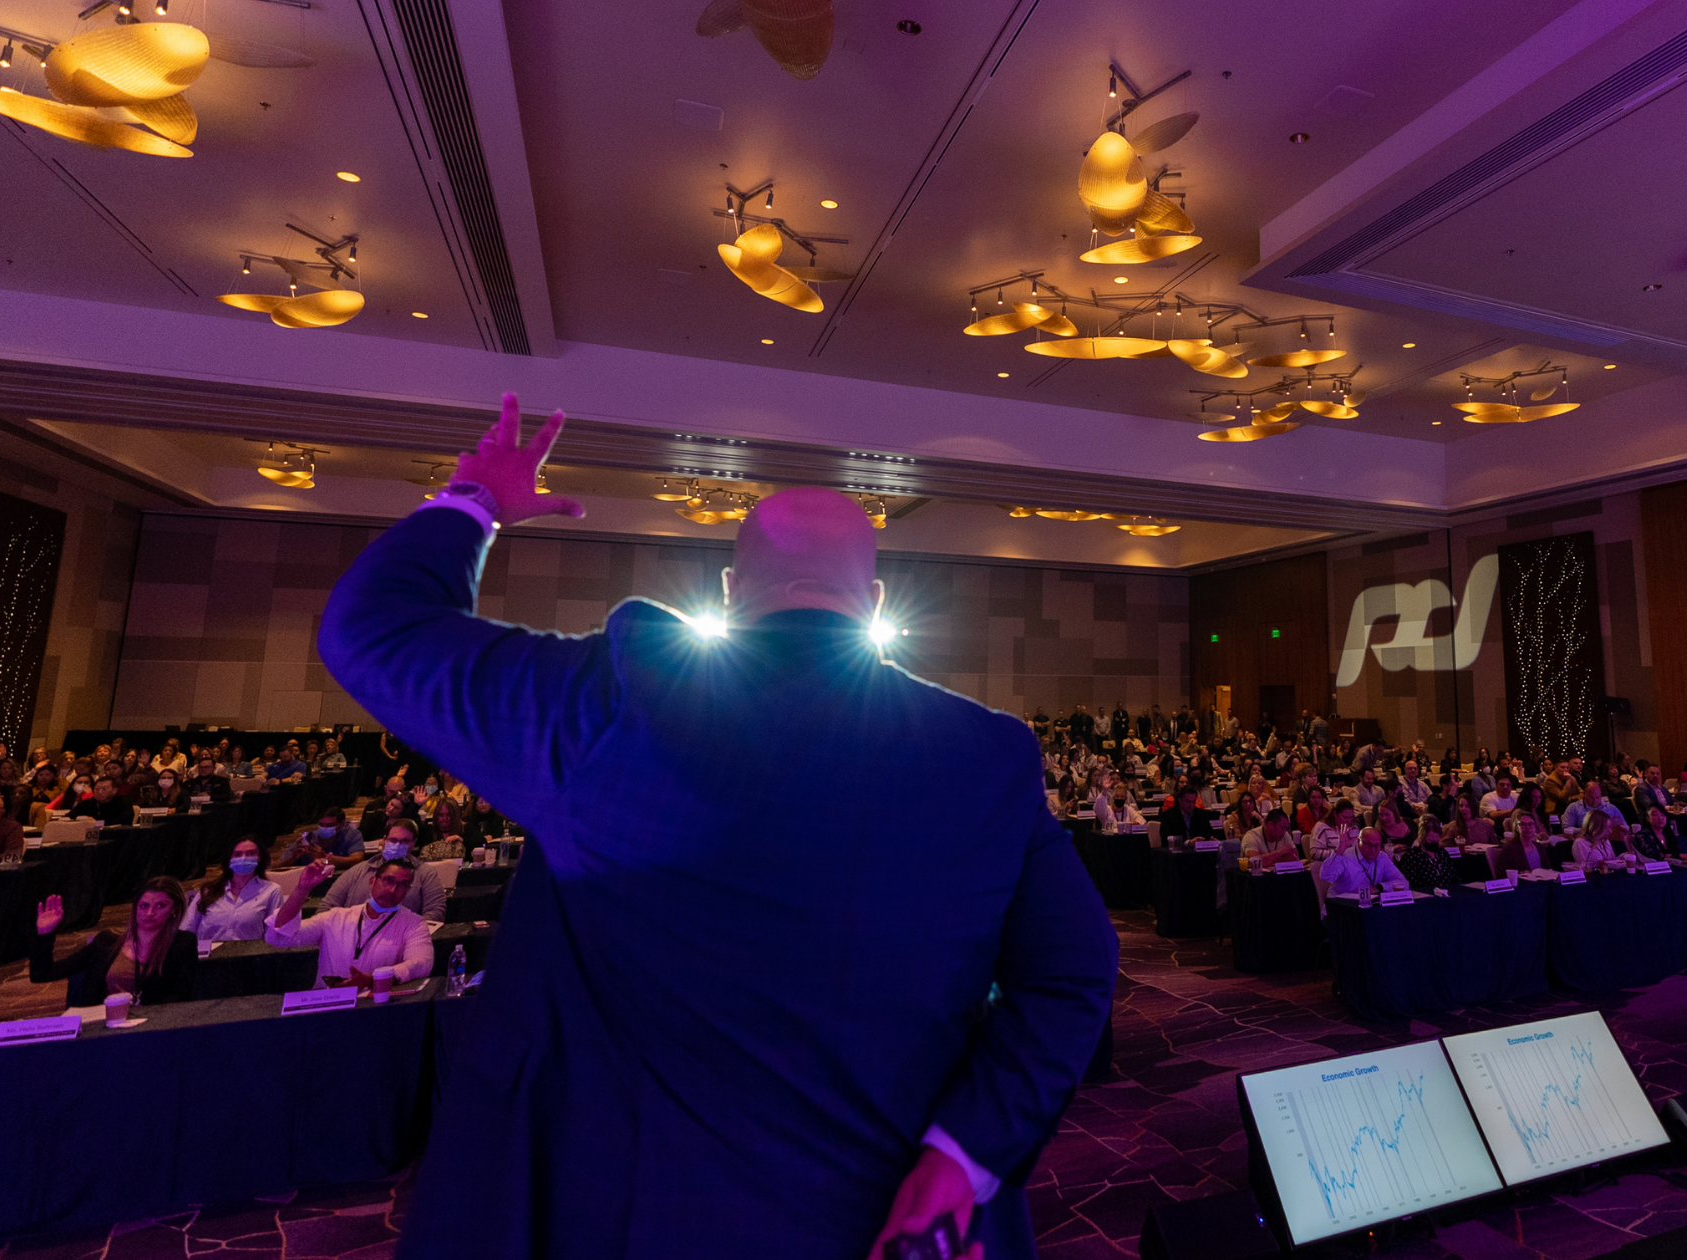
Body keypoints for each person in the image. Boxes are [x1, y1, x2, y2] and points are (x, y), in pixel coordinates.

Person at [315, 402, 1116, 1260]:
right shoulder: (985, 755)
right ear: (875, 601)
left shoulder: (615, 704)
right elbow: (1074, 971)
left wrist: (473, 499)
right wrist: (964, 1154)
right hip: (900, 1219)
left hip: (640, 1213)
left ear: (731, 594)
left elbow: (371, 629)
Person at [268, 857, 434, 992]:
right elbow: (280, 936)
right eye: (388, 880)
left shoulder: (413, 923)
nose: (392, 890)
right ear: (372, 881)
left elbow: (421, 963)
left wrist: (370, 979)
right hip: (328, 1003)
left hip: (376, 1005)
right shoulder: (336, 917)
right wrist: (302, 889)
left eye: (402, 885)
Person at [30, 877, 199, 1006]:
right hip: (103, 1023)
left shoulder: (182, 944)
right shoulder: (107, 942)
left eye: (161, 906)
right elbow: (42, 974)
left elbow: (181, 995)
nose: (150, 913)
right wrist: (44, 933)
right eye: (144, 906)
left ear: (174, 910)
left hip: (150, 1026)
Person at [325, 821, 454, 923]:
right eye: (393, 840)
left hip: (402, 941)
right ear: (384, 840)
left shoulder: (426, 873)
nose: (398, 845)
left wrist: (411, 934)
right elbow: (328, 906)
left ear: (414, 843)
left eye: (404, 841)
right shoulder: (358, 871)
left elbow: (435, 912)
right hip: (352, 938)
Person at [182, 837, 287, 942]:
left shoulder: (271, 891)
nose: (243, 858)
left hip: (248, 955)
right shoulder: (208, 891)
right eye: (237, 854)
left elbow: (273, 936)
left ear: (259, 858)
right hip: (207, 956)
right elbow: (187, 929)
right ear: (229, 859)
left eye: (250, 853)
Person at [1318, 827, 1408, 898]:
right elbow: (1326, 876)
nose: (1373, 849)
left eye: (1376, 845)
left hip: (1369, 908)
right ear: (1358, 841)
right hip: (1341, 908)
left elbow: (1403, 883)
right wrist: (1339, 851)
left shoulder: (1382, 857)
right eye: (1369, 845)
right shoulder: (1345, 856)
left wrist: (1381, 887)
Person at [1157, 782, 1214, 851]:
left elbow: (1208, 832)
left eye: (1193, 802)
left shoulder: (1200, 814)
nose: (1191, 805)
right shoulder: (1168, 816)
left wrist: (1209, 839)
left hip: (1198, 853)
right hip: (1177, 855)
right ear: (1180, 800)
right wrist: (1188, 843)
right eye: (1188, 802)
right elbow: (1167, 840)